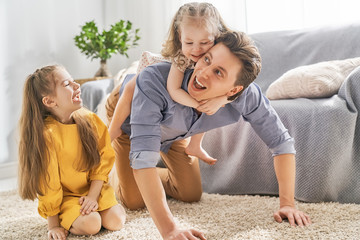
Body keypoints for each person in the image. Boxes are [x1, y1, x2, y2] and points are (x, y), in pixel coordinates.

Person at [106, 30, 311, 239]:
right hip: (130, 117)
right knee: (134, 200)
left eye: (219, 72)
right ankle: (119, 173)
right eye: (206, 59)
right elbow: (144, 159)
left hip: (176, 130)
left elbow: (281, 142)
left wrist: (287, 204)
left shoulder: (246, 96)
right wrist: (169, 230)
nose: (203, 73)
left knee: (190, 194)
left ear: (234, 90)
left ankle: (144, 177)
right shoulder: (155, 81)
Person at [108, 2, 232, 165]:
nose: (197, 50)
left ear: (217, 36)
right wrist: (197, 104)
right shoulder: (181, 57)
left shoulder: (220, 56)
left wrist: (220, 100)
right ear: (180, 37)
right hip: (155, 76)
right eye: (189, 43)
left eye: (204, 43)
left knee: (211, 102)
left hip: (181, 105)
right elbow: (173, 90)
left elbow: (237, 87)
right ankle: (114, 128)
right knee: (133, 85)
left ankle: (195, 145)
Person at [18, 65, 126, 240]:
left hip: (94, 189)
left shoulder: (91, 121)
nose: (77, 86)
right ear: (50, 102)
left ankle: (99, 209)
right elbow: (48, 182)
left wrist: (92, 196)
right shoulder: (48, 136)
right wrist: (53, 225)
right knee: (92, 224)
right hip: (66, 198)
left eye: (73, 80)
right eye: (67, 84)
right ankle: (67, 217)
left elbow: (102, 160)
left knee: (116, 222)